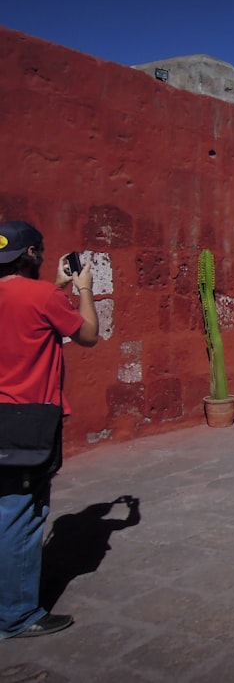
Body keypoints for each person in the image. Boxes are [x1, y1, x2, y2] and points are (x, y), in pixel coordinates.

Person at [0, 221, 99, 639]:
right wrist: (83, 289)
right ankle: (18, 615)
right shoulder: (42, 296)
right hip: (26, 421)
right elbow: (88, 334)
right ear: (34, 254)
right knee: (21, 514)